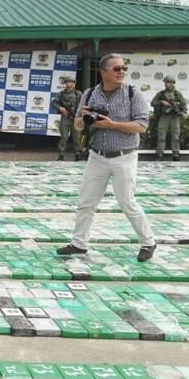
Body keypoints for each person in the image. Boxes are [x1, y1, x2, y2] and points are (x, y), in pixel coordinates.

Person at [57, 54, 157, 262]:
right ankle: (79, 243)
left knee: (127, 202)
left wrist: (112, 124)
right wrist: (83, 118)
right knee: (86, 201)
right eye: (117, 68)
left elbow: (142, 125)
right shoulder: (90, 93)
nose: (121, 72)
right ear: (103, 72)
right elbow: (77, 125)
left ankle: (148, 242)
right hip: (97, 156)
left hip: (124, 156)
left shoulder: (132, 93)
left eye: (123, 68)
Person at [151, 75, 187, 161]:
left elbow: (183, 104)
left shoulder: (177, 94)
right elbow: (153, 103)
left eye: (168, 82)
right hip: (164, 117)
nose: (166, 84)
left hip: (174, 117)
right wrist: (161, 102)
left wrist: (184, 112)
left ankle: (176, 155)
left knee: (175, 137)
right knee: (161, 137)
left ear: (172, 84)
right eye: (166, 82)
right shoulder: (161, 94)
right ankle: (159, 155)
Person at [52, 77, 83, 161]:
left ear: (74, 83)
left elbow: (82, 105)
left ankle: (77, 154)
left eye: (69, 82)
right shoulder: (61, 94)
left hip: (76, 118)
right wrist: (60, 108)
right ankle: (61, 155)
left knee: (77, 137)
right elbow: (54, 102)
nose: (68, 84)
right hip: (65, 118)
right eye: (66, 82)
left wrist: (79, 115)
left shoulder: (78, 94)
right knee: (64, 137)